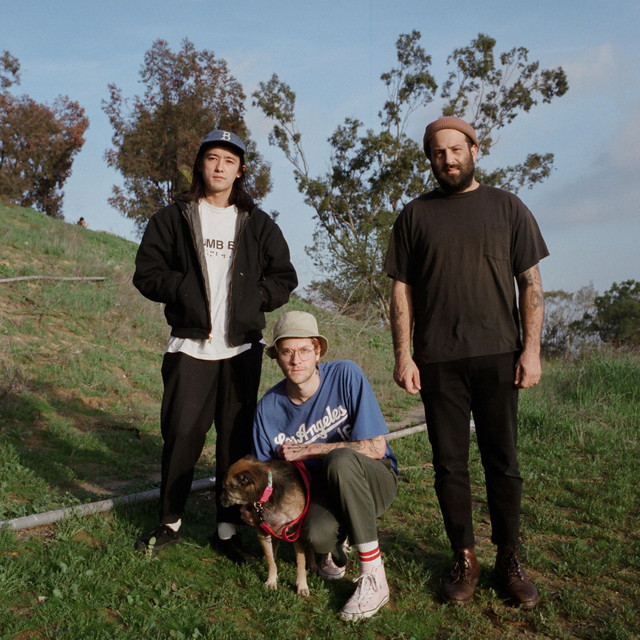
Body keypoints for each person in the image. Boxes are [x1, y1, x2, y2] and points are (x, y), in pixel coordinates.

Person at [384, 116, 548, 609]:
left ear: (474, 150)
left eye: (456, 149)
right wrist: (403, 354)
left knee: (504, 462)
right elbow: (400, 290)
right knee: (449, 465)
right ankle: (465, 559)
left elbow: (531, 282)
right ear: (431, 159)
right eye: (439, 153)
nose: (448, 159)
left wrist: (531, 350)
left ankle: (509, 559)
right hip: (438, 359)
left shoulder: (507, 207)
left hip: (499, 353)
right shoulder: (415, 215)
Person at [132, 129, 298, 561]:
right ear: (200, 164)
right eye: (212, 158)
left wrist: (256, 298)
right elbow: (146, 273)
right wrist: (183, 289)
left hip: (241, 350)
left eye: (229, 160)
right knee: (181, 435)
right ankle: (170, 522)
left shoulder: (257, 222)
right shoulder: (173, 217)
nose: (219, 167)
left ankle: (227, 531)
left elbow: (284, 277)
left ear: (240, 170)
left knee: (235, 441)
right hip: (190, 348)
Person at [253, 311, 398, 621]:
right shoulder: (267, 409)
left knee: (339, 458)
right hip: (320, 494)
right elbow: (267, 477)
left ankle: (374, 576)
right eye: (287, 351)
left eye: (305, 350)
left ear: (318, 351)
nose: (296, 360)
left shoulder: (346, 375)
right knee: (316, 535)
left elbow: (376, 448)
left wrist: (311, 449)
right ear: (277, 357)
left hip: (373, 481)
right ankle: (336, 544)